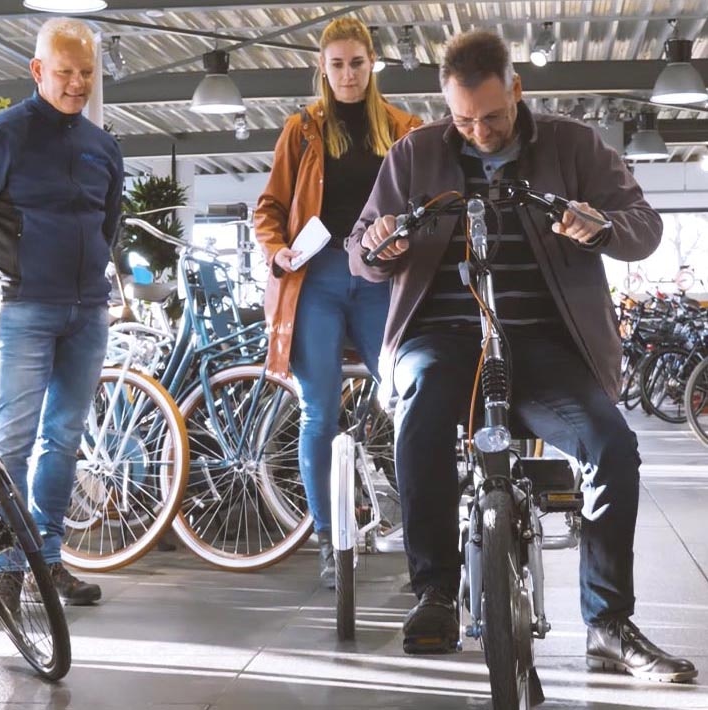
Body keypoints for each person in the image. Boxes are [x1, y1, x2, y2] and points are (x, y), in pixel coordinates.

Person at [346, 29, 697, 682]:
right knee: (418, 411)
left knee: (609, 446)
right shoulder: (414, 154)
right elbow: (360, 249)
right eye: (462, 119)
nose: (479, 131)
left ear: (516, 89)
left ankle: (607, 623)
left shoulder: (572, 146)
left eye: (493, 116)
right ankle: (435, 594)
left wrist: (603, 228)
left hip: (545, 350)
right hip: (440, 343)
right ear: (445, 108)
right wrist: (380, 245)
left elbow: (641, 226)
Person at [0, 17, 123, 615]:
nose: (77, 84)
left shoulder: (102, 146)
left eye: (87, 73)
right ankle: (6, 566)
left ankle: (47, 558)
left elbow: (108, 225)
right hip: (21, 309)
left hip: (87, 314)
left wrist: (92, 282)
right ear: (38, 71)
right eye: (66, 72)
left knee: (64, 440)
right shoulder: (0, 137)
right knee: (8, 442)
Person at [254, 17, 421, 588]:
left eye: (357, 62)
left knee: (405, 402)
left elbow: (428, 205)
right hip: (318, 280)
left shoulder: (404, 129)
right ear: (322, 68)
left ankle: (422, 529)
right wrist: (276, 251)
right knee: (319, 412)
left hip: (380, 280)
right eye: (337, 63)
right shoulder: (301, 131)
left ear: (372, 63)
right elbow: (268, 209)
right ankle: (329, 539)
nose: (348, 74)